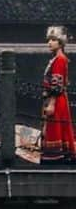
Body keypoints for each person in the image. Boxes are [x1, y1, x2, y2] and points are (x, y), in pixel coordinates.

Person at [41, 26, 76, 162]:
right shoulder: (57, 59)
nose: (49, 43)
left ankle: (57, 157)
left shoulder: (60, 59)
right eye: (49, 40)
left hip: (57, 100)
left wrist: (51, 104)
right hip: (56, 99)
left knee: (55, 129)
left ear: (60, 42)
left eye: (53, 40)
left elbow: (57, 84)